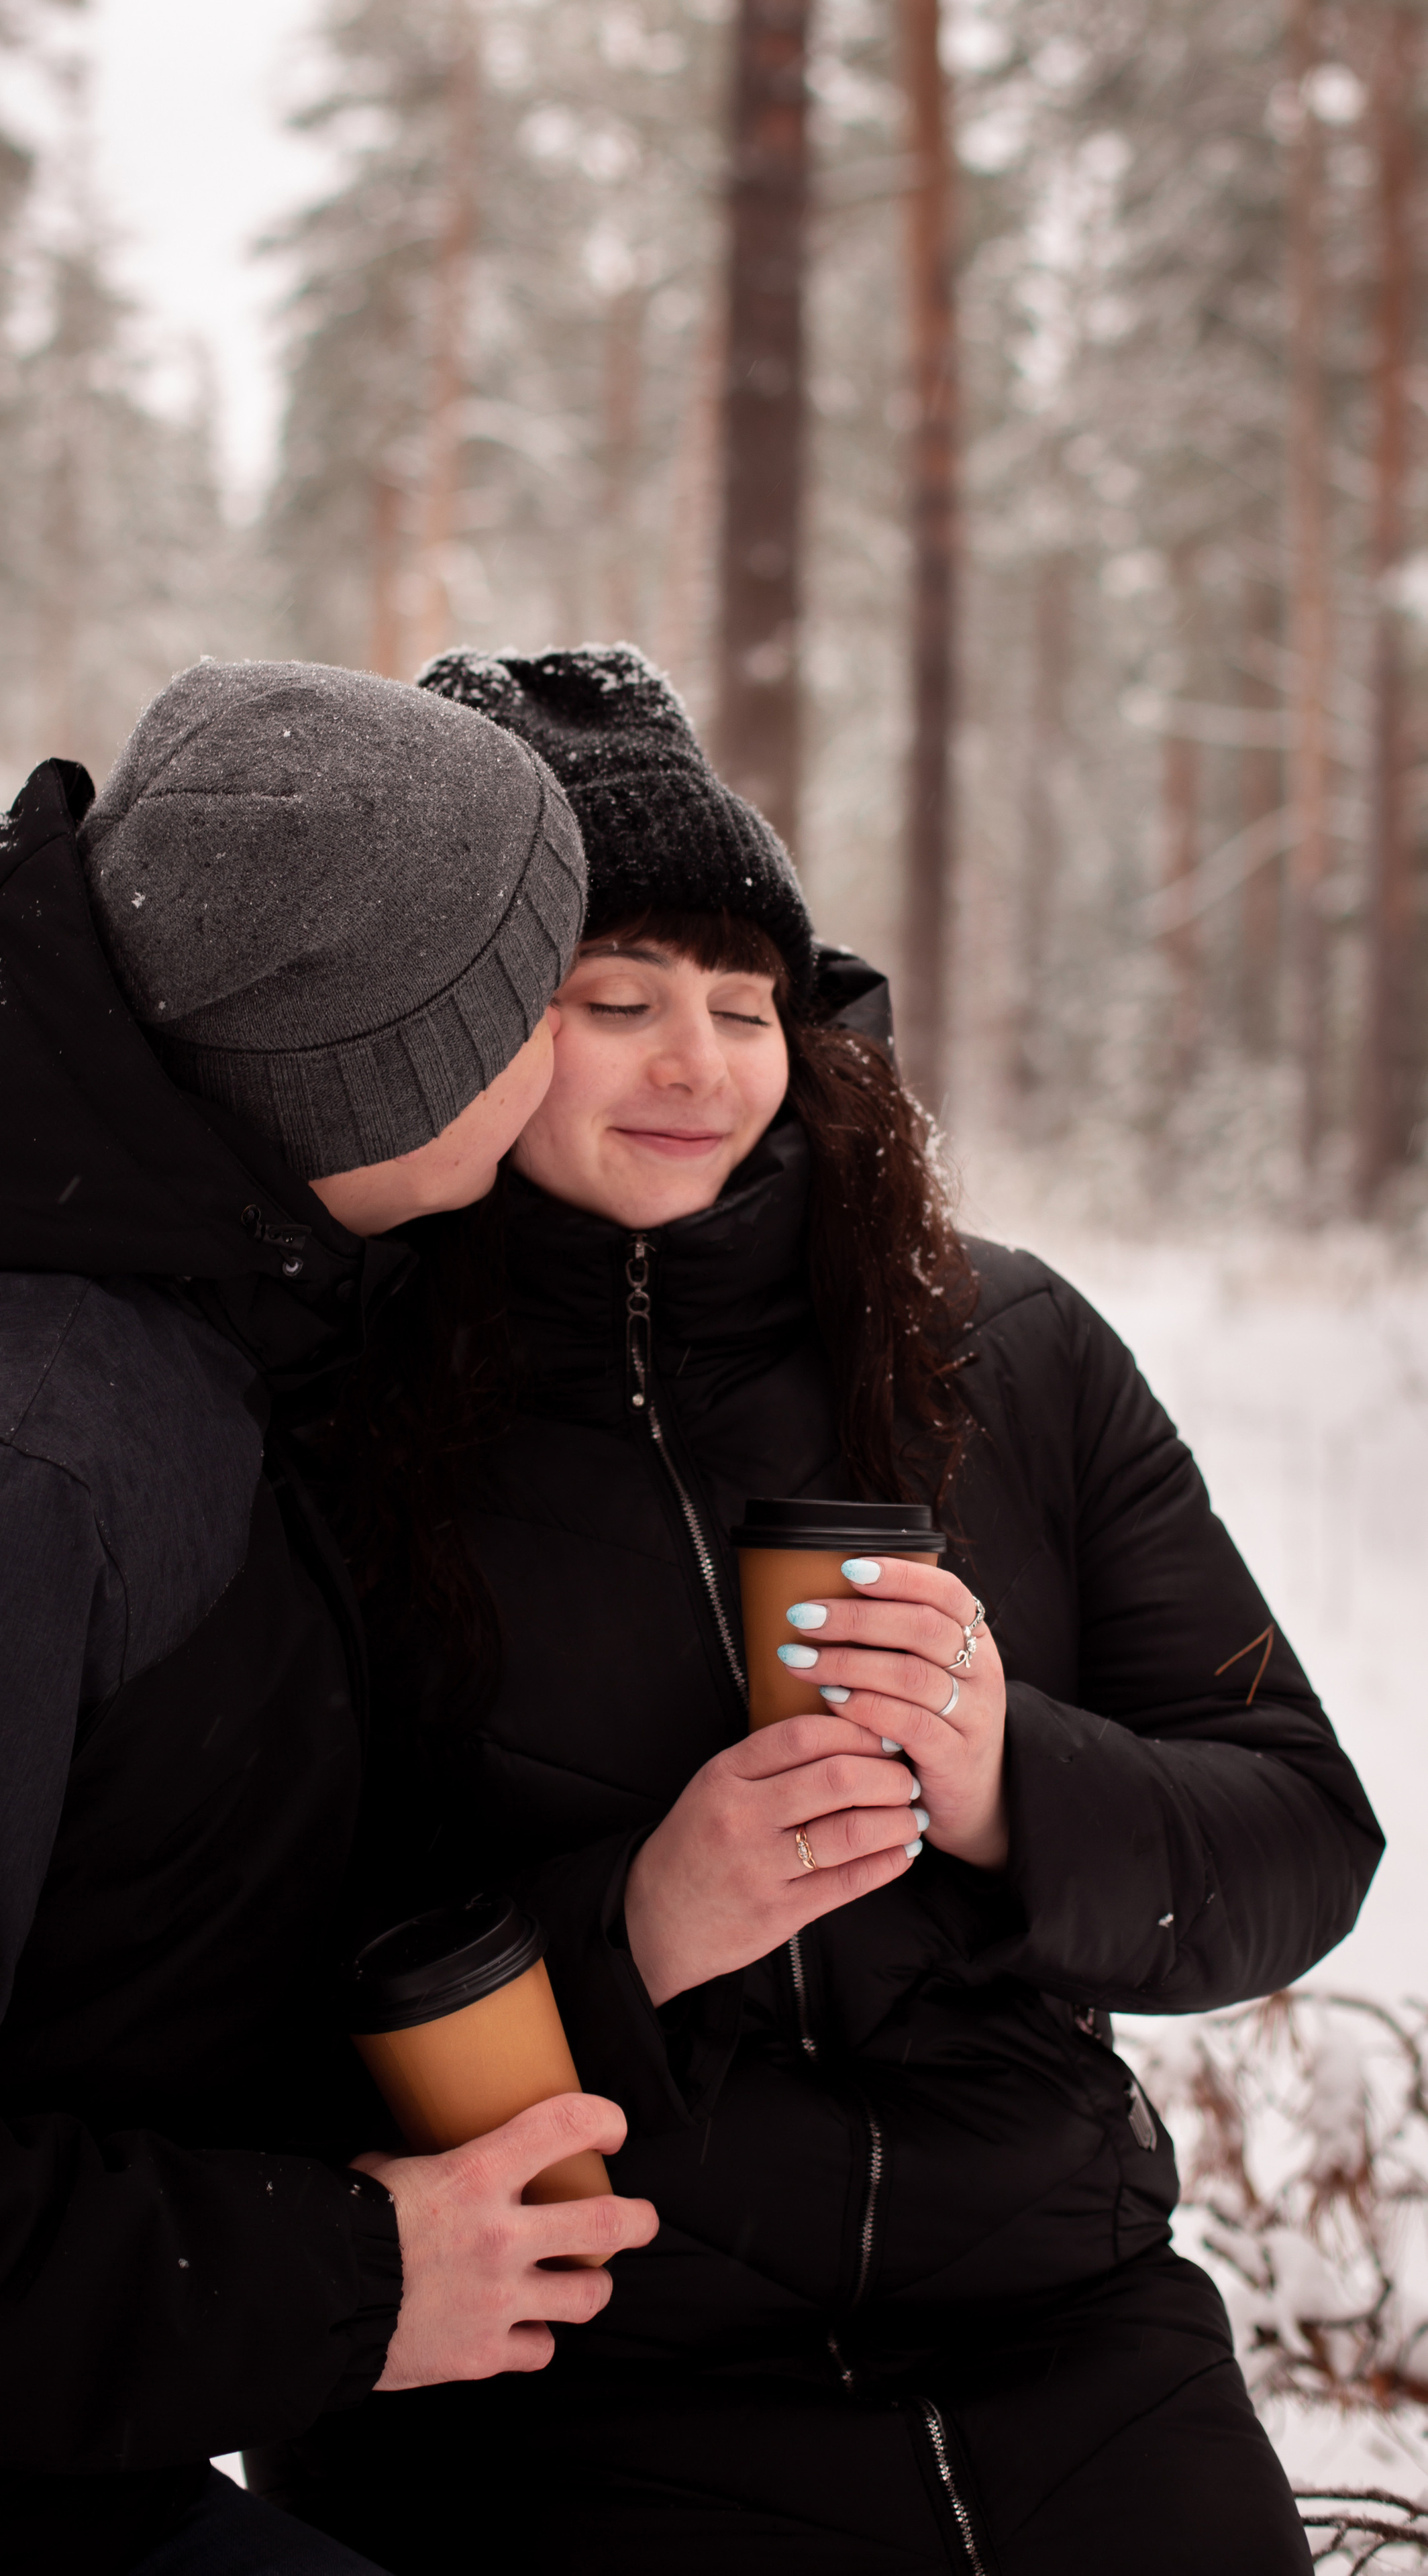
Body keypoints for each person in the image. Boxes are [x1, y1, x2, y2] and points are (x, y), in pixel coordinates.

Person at [270, 648, 1384, 2575]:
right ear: (463, 1026)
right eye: (616, 1000)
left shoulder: (999, 1345)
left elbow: (1299, 1835)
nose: (698, 1065)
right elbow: (222, 2014)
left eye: (745, 1002)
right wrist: (638, 1930)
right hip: (579, 2378)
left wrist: (1009, 1780)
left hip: (1071, 2332)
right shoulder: (310, 1417)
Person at [0, 660, 656, 2576]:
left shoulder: (178, 1316)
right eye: (532, 1005)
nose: (576, 1059)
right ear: (386, 1067)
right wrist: (348, 2282)